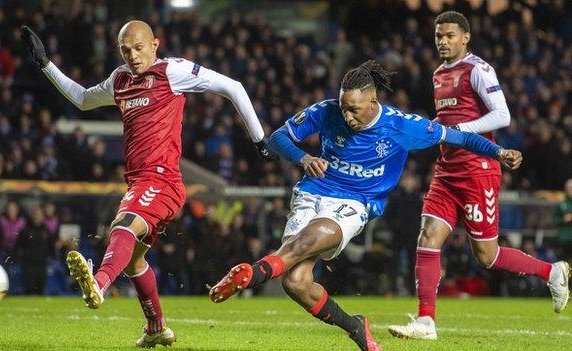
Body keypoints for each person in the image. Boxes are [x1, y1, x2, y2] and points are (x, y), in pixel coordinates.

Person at [208, 60, 522, 351]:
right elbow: (279, 137)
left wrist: (498, 152)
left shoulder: (403, 126)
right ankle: (355, 326)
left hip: (356, 203)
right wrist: (303, 158)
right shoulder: (328, 111)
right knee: (296, 282)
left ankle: (254, 272)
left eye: (355, 110)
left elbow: (459, 138)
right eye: (344, 108)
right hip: (312, 192)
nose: (347, 116)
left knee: (305, 242)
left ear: (373, 102)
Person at [21, 21, 275, 348]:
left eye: (139, 48)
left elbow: (233, 87)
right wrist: (46, 64)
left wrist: (258, 139)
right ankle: (156, 327)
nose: (133, 56)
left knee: (122, 228)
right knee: (133, 260)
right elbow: (83, 99)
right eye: (126, 50)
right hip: (139, 182)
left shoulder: (173, 71)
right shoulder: (120, 79)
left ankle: (98, 283)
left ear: (155, 44)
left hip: (163, 179)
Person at [387, 11, 570, 341]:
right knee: (428, 237)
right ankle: (426, 321)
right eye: (439, 36)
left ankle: (551, 271)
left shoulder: (479, 70)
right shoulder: (437, 74)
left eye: (450, 36)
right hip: (447, 170)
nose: (443, 41)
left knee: (487, 255)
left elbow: (502, 115)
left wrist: (458, 130)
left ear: (465, 37)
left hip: (478, 170)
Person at [554, 179, 572, 261]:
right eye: (569, 188)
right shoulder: (561, 204)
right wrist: (563, 219)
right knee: (564, 263)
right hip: (564, 239)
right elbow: (554, 220)